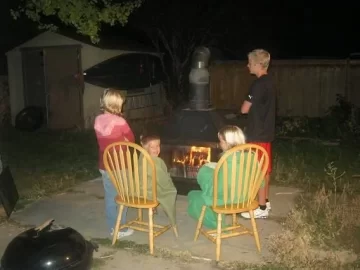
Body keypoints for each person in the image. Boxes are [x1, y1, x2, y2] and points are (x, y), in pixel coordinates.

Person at [187, 125, 267, 229]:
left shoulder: (228, 160)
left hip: (229, 200)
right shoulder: (251, 156)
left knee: (193, 195)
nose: (220, 144)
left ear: (227, 142)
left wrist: (205, 175)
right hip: (246, 198)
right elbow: (261, 181)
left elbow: (218, 190)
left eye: (221, 141)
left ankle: (218, 226)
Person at [94, 88, 135, 239]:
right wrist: (123, 140)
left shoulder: (97, 120)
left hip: (105, 165)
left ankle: (113, 227)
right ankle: (120, 228)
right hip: (120, 165)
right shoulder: (120, 122)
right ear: (118, 105)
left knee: (110, 196)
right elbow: (131, 139)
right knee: (122, 196)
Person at [240, 49, 276, 219]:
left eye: (250, 63)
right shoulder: (270, 81)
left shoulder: (258, 84)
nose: (248, 65)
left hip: (257, 134)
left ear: (258, 64)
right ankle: (266, 201)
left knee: (258, 172)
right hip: (267, 133)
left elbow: (244, 109)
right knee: (265, 170)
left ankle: (261, 208)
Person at [139, 133, 177, 227]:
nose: (156, 149)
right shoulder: (155, 161)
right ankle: (168, 212)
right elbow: (162, 180)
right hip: (148, 192)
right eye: (152, 147)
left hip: (138, 189)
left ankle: (152, 207)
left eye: (158, 146)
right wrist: (170, 186)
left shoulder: (141, 155)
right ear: (145, 147)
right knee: (170, 191)